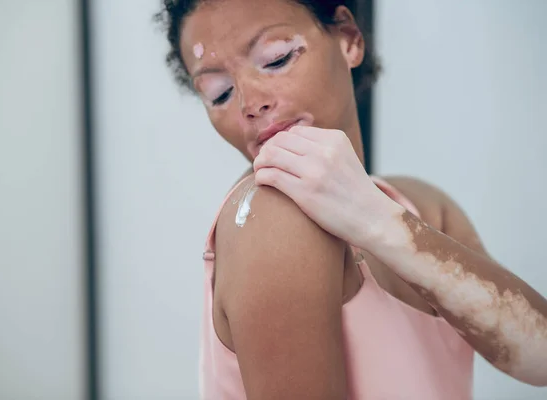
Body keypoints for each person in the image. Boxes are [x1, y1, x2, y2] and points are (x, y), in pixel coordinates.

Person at [155, 0, 547, 398]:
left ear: (348, 38)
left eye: (276, 59)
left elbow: (542, 358)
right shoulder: (273, 217)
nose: (250, 104)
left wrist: (376, 220)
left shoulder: (421, 206)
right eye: (219, 94)